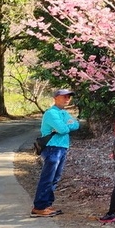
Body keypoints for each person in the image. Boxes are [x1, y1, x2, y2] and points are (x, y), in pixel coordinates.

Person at [31, 88, 80, 217]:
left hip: (62, 147)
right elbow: (63, 129)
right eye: (64, 96)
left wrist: (66, 125)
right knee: (48, 178)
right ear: (56, 97)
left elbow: (76, 125)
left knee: (55, 178)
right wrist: (66, 125)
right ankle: (39, 207)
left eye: (69, 96)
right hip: (52, 148)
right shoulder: (51, 113)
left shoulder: (63, 113)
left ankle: (47, 204)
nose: (67, 99)